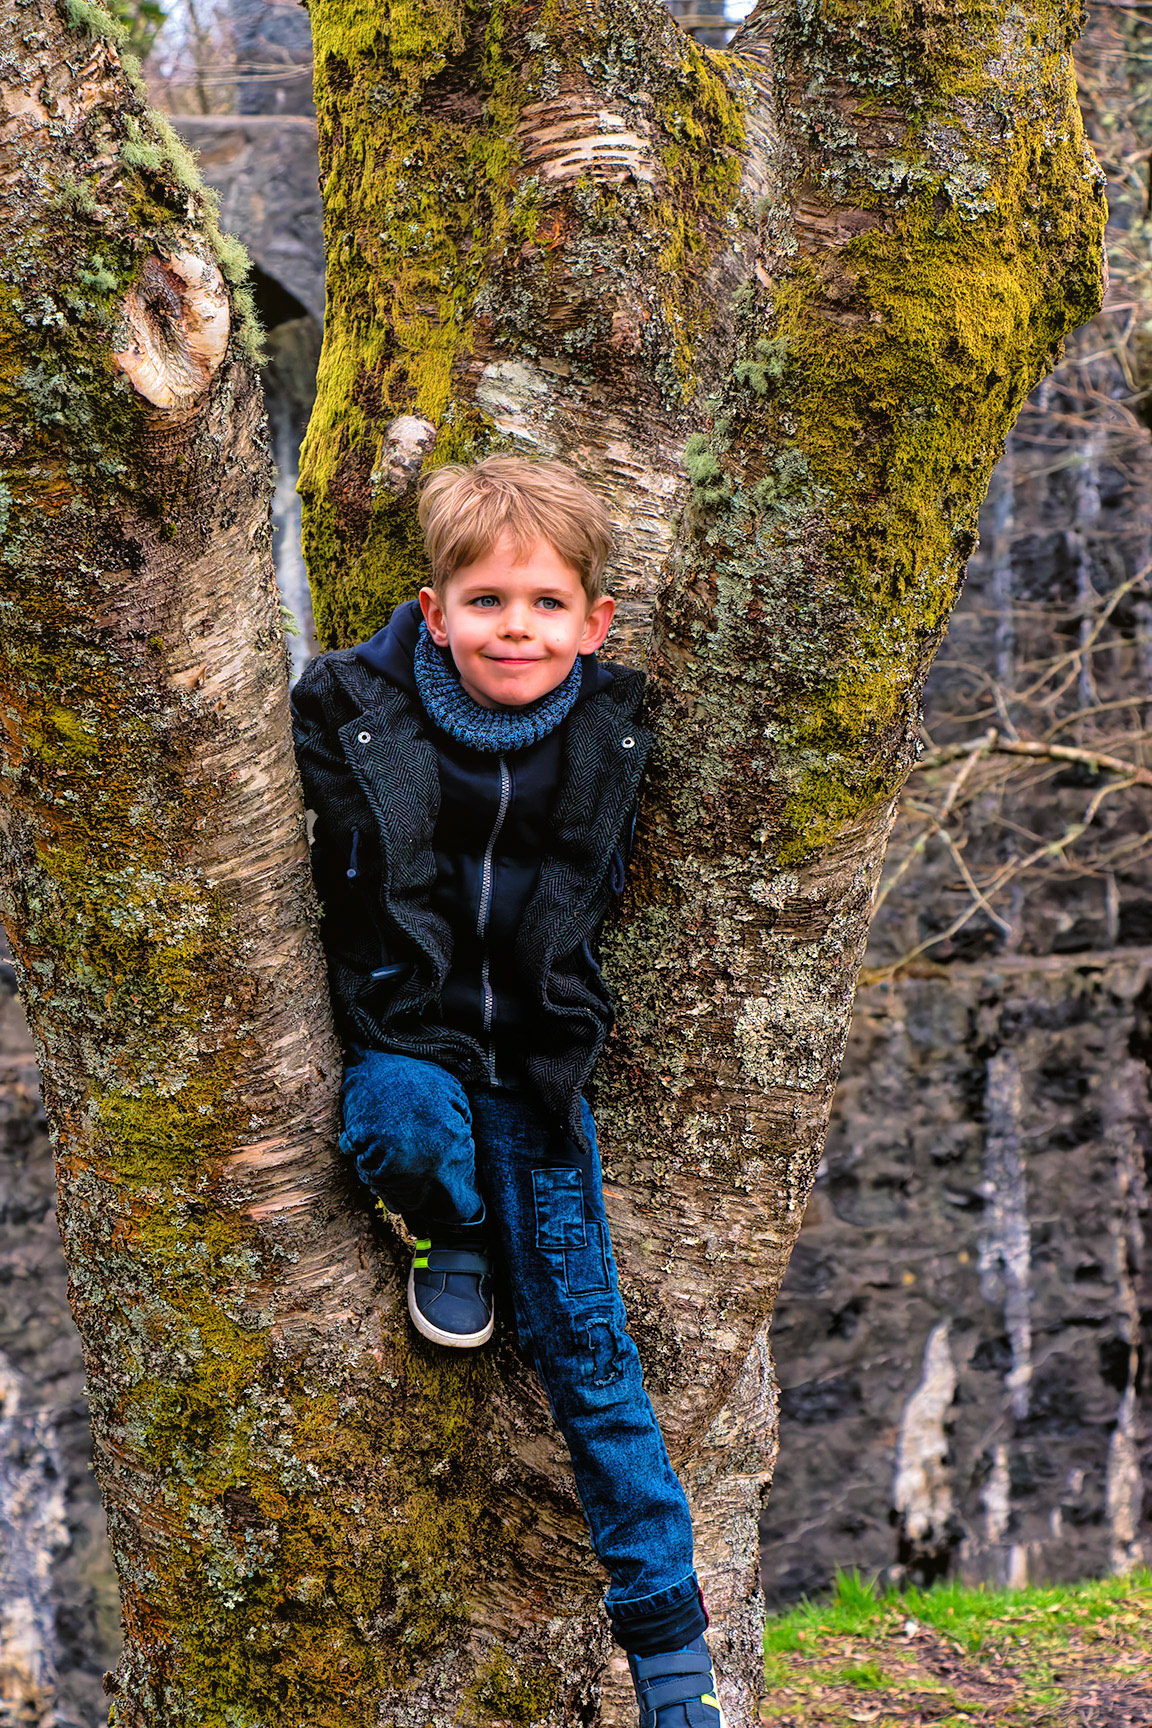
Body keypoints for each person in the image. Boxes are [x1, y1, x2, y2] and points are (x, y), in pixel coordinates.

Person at [291, 456, 726, 1728]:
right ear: (435, 613)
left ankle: (676, 1669)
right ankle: (453, 1231)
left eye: (545, 604)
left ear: (594, 624)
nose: (515, 629)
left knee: (593, 1356)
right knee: (401, 1126)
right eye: (486, 601)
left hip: (536, 1069)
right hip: (408, 1035)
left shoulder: (611, 730)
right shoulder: (353, 707)